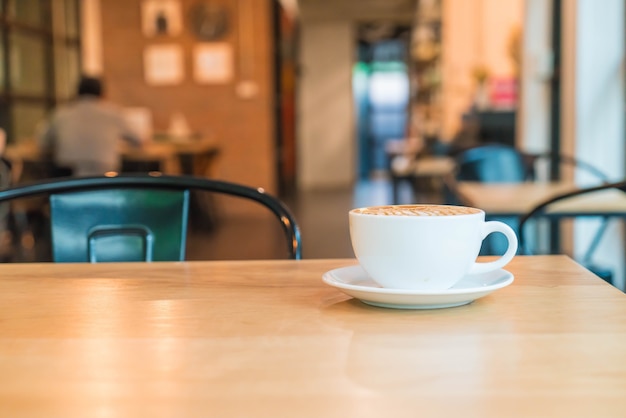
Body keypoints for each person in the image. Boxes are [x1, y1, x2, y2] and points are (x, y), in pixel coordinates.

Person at [38, 76, 144, 177]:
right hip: (104, 174)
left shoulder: (61, 113)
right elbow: (138, 140)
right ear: (102, 94)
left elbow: (43, 142)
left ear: (77, 93)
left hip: (67, 176)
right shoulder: (113, 113)